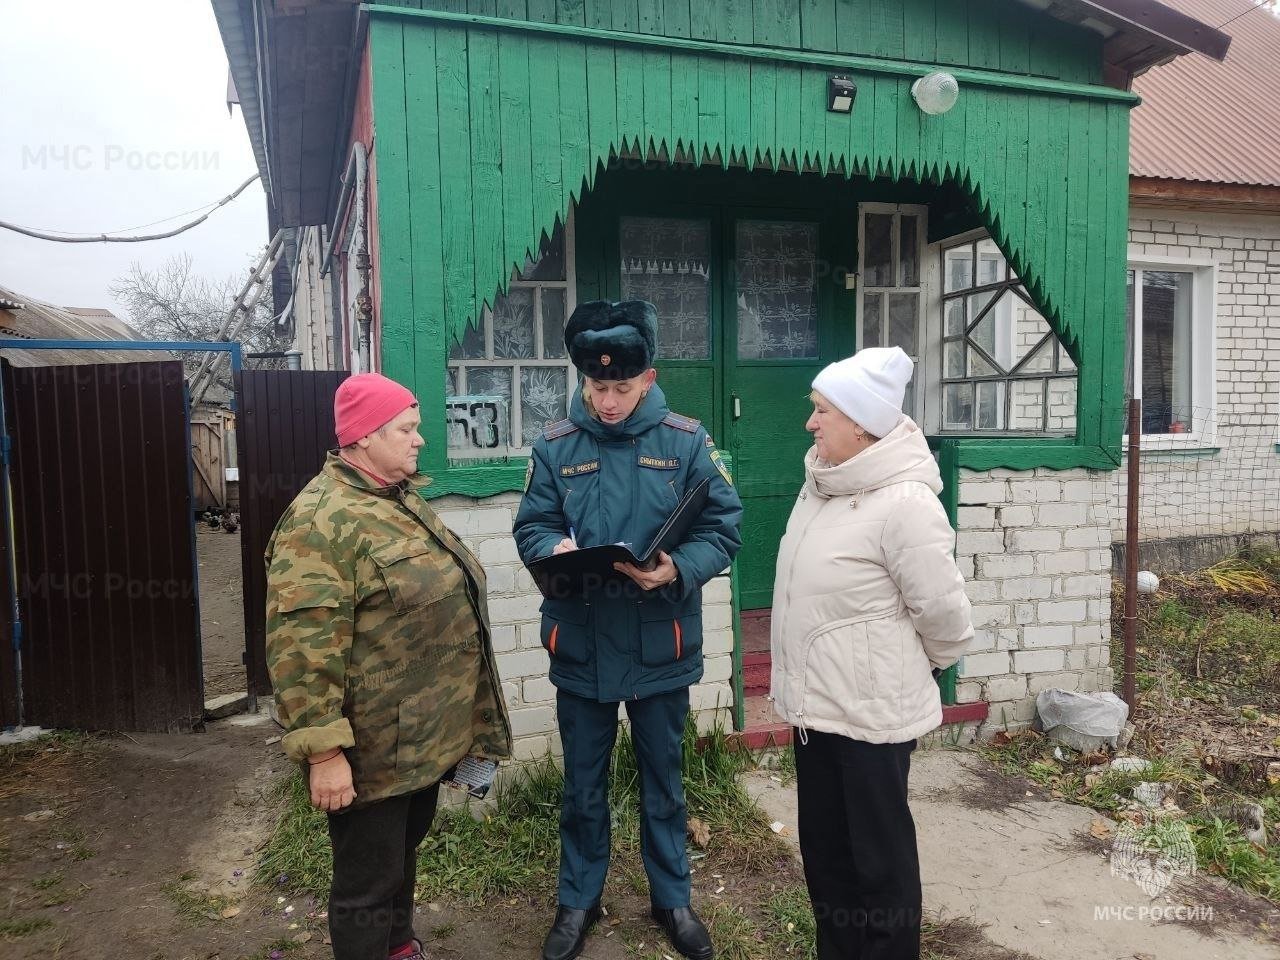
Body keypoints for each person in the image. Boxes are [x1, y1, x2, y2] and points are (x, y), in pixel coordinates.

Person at [514, 300, 743, 960]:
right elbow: (532, 525)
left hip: (657, 644)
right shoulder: (556, 445)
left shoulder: (686, 441)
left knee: (663, 784)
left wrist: (677, 568)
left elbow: (723, 528)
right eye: (595, 386)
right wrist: (553, 547)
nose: (607, 401)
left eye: (619, 387)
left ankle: (673, 899)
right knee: (582, 787)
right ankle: (577, 902)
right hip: (582, 643)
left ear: (647, 378)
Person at [265, 372, 512, 960]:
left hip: (418, 740)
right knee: (366, 884)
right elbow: (303, 651)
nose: (419, 439)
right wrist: (325, 755)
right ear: (364, 436)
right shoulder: (320, 522)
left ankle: (398, 948)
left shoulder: (397, 499)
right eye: (406, 428)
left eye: (416, 426)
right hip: (372, 750)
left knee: (401, 858)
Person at [769, 347, 974, 960]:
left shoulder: (905, 503)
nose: (811, 422)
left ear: (860, 423)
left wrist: (927, 665)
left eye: (821, 410)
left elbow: (941, 612)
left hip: (873, 716)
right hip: (818, 710)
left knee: (878, 863)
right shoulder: (822, 486)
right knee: (827, 855)